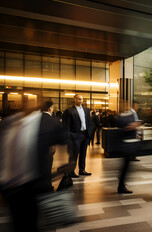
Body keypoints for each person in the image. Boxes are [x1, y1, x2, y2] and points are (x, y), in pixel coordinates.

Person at [0, 101, 67, 231]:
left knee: (30, 222)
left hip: (32, 185)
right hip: (9, 186)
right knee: (17, 223)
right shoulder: (9, 122)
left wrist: (60, 168)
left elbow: (63, 141)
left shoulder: (49, 123)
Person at [115, 101, 142, 194]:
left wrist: (137, 132)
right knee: (125, 165)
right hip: (125, 144)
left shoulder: (132, 115)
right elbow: (120, 130)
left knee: (127, 165)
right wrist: (129, 128)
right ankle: (121, 185)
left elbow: (135, 126)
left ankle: (122, 184)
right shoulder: (120, 117)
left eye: (127, 105)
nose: (126, 106)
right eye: (124, 105)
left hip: (131, 143)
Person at [62, 94, 92, 177]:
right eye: (79, 99)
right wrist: (69, 137)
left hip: (85, 135)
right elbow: (66, 125)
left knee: (83, 153)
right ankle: (71, 171)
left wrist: (90, 132)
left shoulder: (86, 110)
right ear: (75, 99)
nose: (81, 101)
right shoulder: (69, 111)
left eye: (82, 99)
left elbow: (89, 122)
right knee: (74, 154)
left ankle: (82, 170)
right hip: (75, 136)